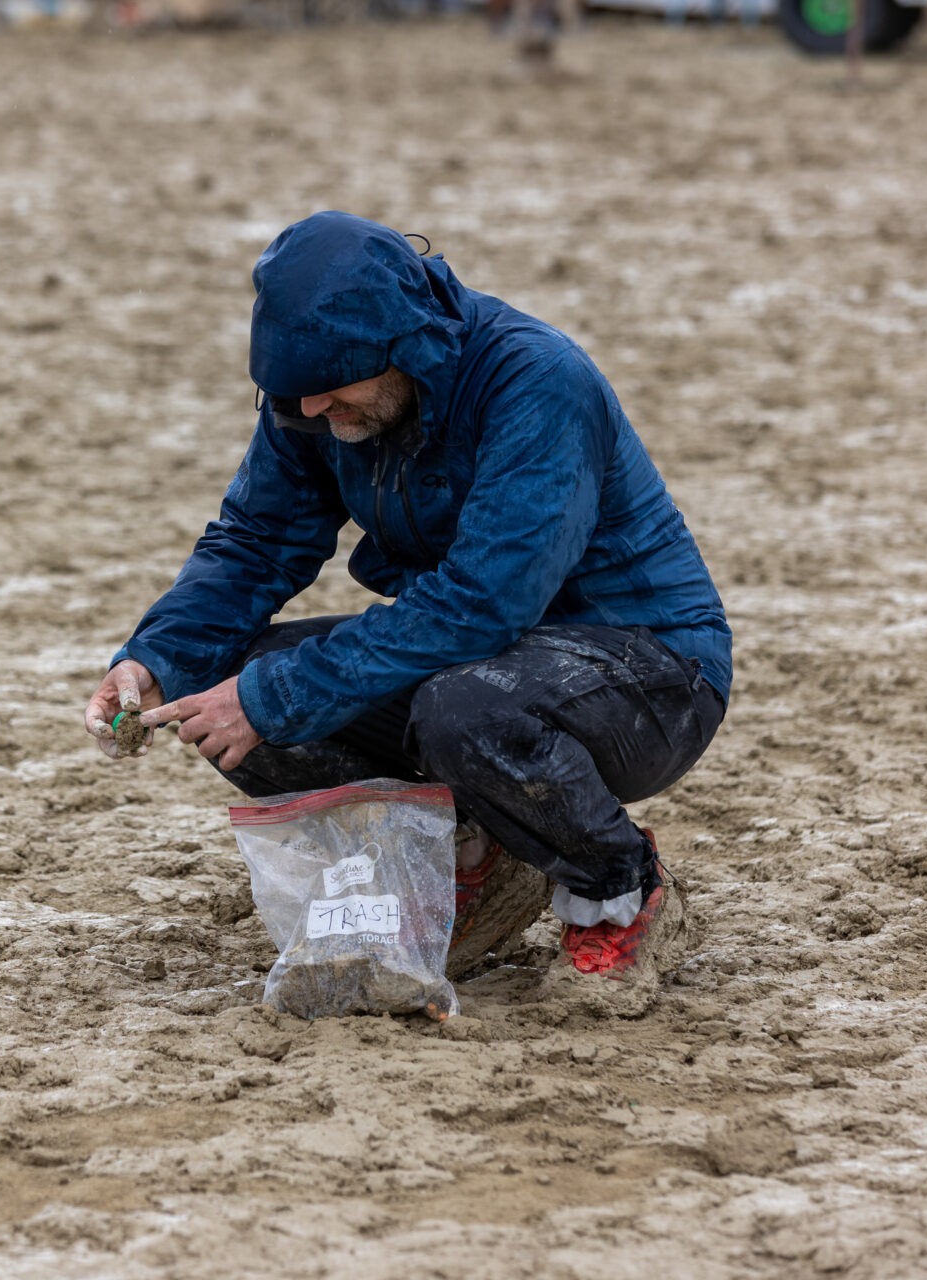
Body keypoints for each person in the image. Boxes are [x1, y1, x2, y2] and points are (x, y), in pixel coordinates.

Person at [84, 212, 730, 1005]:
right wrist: (153, 659)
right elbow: (257, 540)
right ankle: (472, 857)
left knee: (445, 708)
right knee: (225, 683)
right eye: (295, 397)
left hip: (651, 670)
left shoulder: (535, 380)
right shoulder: (313, 398)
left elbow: (483, 603)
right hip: (484, 659)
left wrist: (274, 698)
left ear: (406, 346)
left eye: (333, 389)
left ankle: (620, 887)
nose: (316, 411)